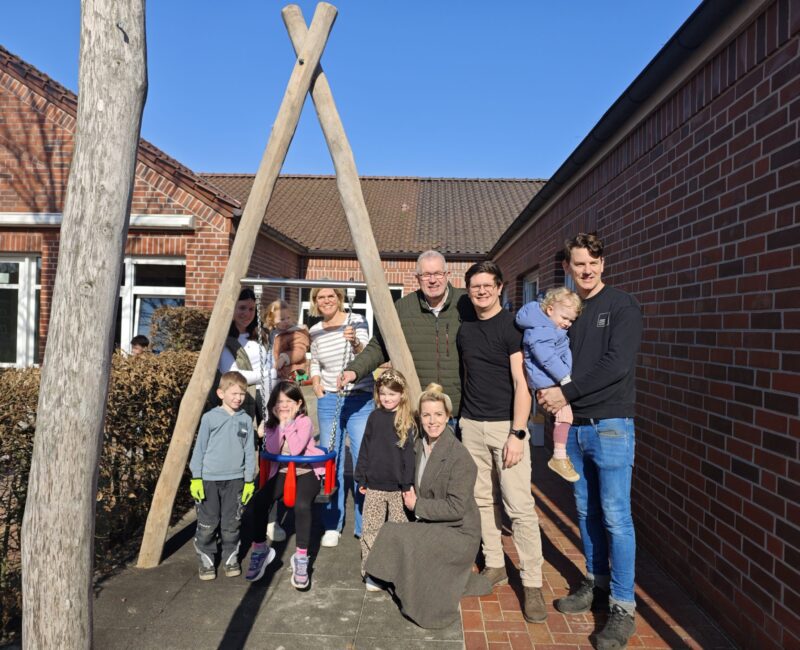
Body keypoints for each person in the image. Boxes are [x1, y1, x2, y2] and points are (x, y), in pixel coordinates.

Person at [537, 233, 643, 650]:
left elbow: (616, 364)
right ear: (567, 266)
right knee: (585, 511)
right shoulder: (568, 309)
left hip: (612, 425)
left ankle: (622, 605)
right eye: (578, 264)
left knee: (616, 516)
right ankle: (596, 582)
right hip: (574, 427)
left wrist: (566, 393)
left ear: (603, 263)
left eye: (592, 263)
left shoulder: (621, 305)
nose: (586, 270)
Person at [457, 260, 547, 624]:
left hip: (504, 428)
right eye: (475, 286)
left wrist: (518, 432)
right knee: (480, 499)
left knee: (518, 505)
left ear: (499, 288)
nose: (481, 291)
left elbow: (522, 384)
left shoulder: (512, 327)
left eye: (487, 285)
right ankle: (495, 564)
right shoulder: (465, 330)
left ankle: (533, 583)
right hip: (471, 425)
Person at [364, 384, 489, 628]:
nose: (432, 421)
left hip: (459, 531)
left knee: (405, 536)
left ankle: (408, 587)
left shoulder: (460, 457)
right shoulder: (420, 444)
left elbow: (456, 509)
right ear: (419, 418)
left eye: (438, 415)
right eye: (426, 415)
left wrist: (417, 505)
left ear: (448, 417)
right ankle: (388, 575)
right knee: (393, 529)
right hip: (435, 521)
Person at [339, 250, 474, 428]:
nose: (432, 280)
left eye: (438, 274)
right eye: (426, 275)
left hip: (460, 412)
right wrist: (353, 371)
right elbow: (380, 345)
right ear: (417, 278)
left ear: (447, 275)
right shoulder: (403, 308)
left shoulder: (466, 303)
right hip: (420, 411)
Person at [308, 286, 375, 547]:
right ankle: (331, 524)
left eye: (330, 296)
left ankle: (364, 523)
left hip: (359, 398)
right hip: (329, 400)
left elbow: (368, 355)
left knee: (362, 461)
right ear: (315, 302)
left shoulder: (356, 320)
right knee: (330, 460)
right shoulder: (315, 329)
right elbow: (315, 360)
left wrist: (355, 341)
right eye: (320, 297)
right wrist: (315, 382)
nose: (325, 300)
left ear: (339, 298)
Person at [243, 381, 325, 589]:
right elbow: (271, 450)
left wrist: (288, 425)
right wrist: (277, 424)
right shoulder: (272, 424)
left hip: (306, 471)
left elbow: (297, 450)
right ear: (273, 406)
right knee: (257, 504)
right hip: (282, 471)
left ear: (298, 404)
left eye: (289, 401)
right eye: (280, 402)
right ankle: (261, 550)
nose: (284, 405)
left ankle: (301, 558)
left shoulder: (304, 422)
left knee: (302, 505)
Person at [189, 371, 256, 580]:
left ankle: (230, 558)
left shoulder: (246, 420)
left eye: (242, 394)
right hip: (209, 479)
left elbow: (249, 451)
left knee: (231, 524)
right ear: (221, 393)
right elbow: (199, 449)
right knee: (208, 524)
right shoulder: (209, 418)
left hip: (235, 480)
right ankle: (206, 558)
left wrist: (249, 481)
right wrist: (196, 477)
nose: (238, 398)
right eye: (234, 393)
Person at [354, 369, 415, 591]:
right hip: (375, 485)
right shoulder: (374, 417)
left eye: (392, 394)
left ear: (402, 394)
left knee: (400, 531)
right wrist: (361, 476)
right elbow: (366, 448)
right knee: (371, 529)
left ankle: (399, 570)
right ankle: (372, 572)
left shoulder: (407, 420)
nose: (387, 398)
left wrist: (408, 485)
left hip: (399, 488)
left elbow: (409, 456)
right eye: (383, 393)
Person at [516, 286, 583, 482]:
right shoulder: (542, 329)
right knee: (565, 415)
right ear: (550, 309)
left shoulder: (548, 326)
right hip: (547, 379)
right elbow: (546, 358)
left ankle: (560, 455)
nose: (567, 323)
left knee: (565, 416)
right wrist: (565, 378)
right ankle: (559, 456)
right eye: (564, 318)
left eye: (571, 320)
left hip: (550, 377)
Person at [218, 288, 273, 421]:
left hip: (269, 394)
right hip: (243, 398)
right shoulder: (223, 339)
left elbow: (272, 359)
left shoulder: (262, 334)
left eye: (251, 309)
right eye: (242, 308)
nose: (247, 313)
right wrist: (270, 374)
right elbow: (233, 376)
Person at [266, 299, 311, 382]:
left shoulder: (296, 333)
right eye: (282, 319)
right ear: (272, 321)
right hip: (279, 374)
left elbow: (299, 351)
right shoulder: (274, 333)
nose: (286, 321)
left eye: (288, 318)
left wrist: (284, 358)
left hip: (293, 373)